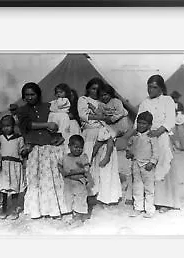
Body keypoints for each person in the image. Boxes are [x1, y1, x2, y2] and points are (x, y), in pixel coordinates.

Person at [126, 75, 179, 213]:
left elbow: (170, 121)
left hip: (161, 137)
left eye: (154, 87)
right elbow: (138, 121)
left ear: (161, 88)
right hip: (145, 138)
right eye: (149, 86)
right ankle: (143, 201)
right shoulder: (144, 102)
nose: (151, 89)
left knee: (162, 166)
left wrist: (157, 132)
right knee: (143, 168)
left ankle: (163, 202)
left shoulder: (168, 100)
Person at [17, 82, 68, 219]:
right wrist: (46, 125)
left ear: (38, 95)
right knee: (36, 179)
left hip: (48, 146)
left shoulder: (48, 107)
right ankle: (38, 209)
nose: (30, 97)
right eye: (27, 95)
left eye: (32, 94)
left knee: (51, 177)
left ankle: (55, 209)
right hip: (34, 148)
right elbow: (27, 125)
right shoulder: (22, 110)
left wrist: (60, 133)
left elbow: (62, 117)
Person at [77, 77, 122, 207]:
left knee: (105, 164)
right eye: (93, 88)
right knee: (89, 163)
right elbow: (83, 115)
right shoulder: (83, 100)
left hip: (103, 131)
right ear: (88, 89)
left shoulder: (104, 101)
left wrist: (105, 118)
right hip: (90, 133)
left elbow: (112, 116)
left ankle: (106, 195)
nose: (95, 91)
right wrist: (100, 117)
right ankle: (91, 194)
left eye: (98, 89)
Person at [126, 111, 159, 218]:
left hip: (147, 165)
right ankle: (138, 207)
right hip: (136, 163)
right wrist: (129, 152)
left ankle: (149, 209)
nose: (141, 125)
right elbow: (129, 147)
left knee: (149, 187)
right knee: (137, 186)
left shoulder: (151, 137)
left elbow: (156, 152)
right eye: (139, 123)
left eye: (144, 123)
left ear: (149, 125)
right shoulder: (134, 136)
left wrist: (152, 162)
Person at [58, 135, 94, 225]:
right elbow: (59, 165)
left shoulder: (83, 157)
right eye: (76, 147)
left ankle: (79, 218)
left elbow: (86, 169)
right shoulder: (65, 157)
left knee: (80, 199)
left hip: (79, 183)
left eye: (81, 148)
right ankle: (72, 215)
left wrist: (71, 172)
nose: (78, 149)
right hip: (68, 184)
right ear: (69, 146)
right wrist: (62, 172)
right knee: (69, 198)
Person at [0, 115, 28, 220]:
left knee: (14, 189)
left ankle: (14, 209)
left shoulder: (19, 138)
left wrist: (25, 151)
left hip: (15, 166)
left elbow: (22, 151)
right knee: (4, 189)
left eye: (9, 126)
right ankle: (4, 209)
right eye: (4, 126)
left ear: (13, 126)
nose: (6, 128)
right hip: (4, 167)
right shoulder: (0, 138)